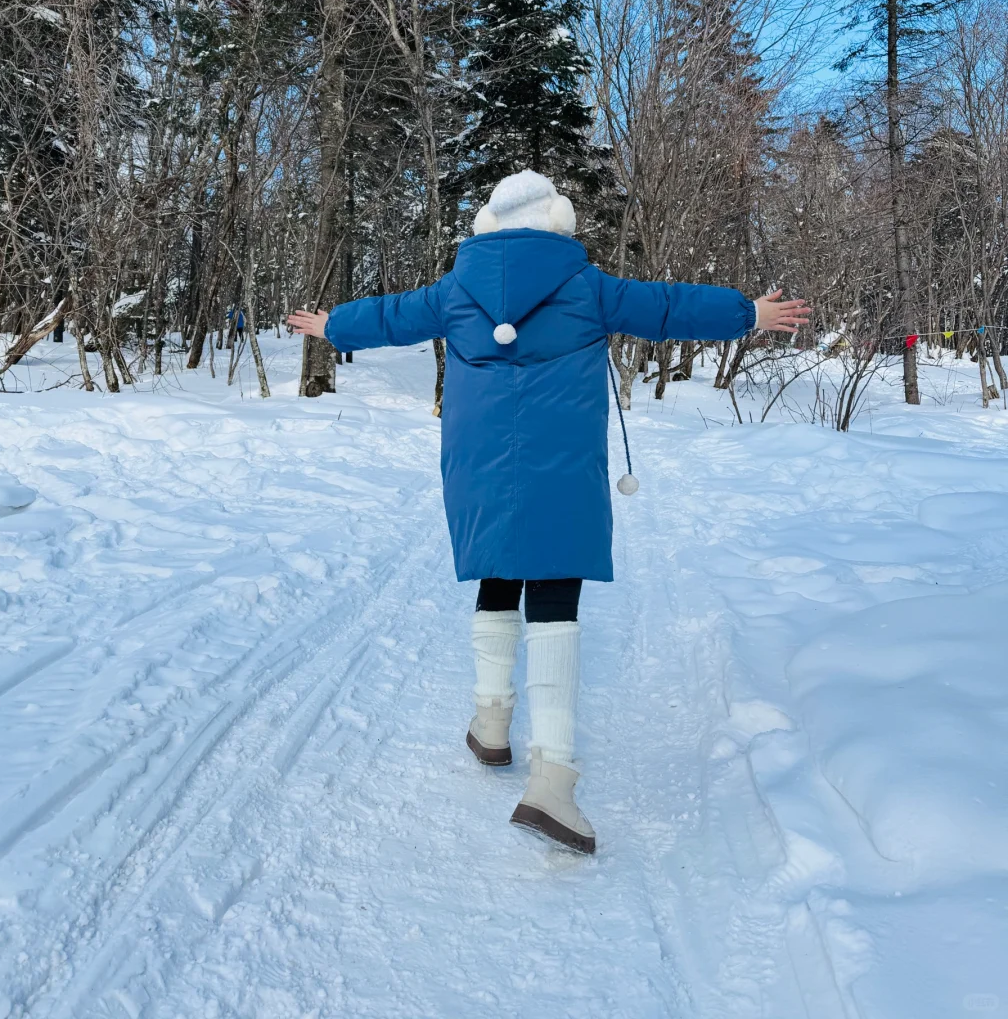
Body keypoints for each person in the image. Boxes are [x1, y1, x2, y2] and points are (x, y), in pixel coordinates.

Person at [288, 170, 809, 854]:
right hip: (559, 458)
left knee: (499, 572)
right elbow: (667, 307)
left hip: (477, 458)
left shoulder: (456, 291)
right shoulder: (586, 285)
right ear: (556, 221)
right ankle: (552, 782)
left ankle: (491, 722)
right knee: (555, 592)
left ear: (490, 227)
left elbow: (392, 315)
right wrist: (748, 313)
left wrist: (335, 325)